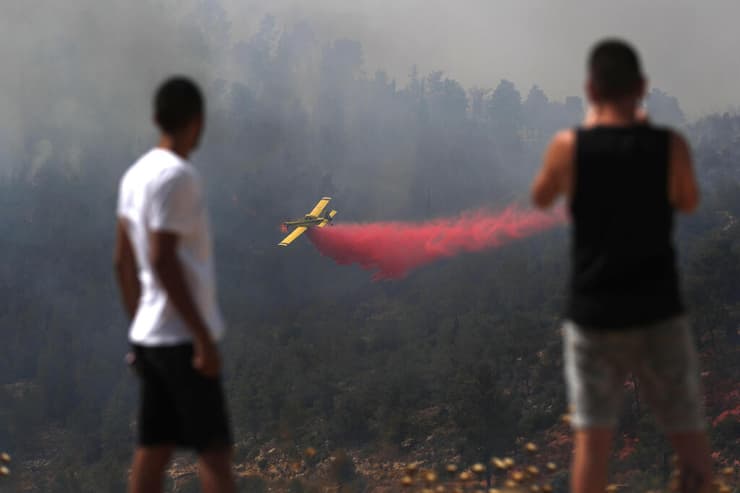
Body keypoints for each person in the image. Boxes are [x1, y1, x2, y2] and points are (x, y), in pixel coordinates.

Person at [531, 40, 712, 493]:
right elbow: (688, 202)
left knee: (593, 445)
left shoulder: (568, 146)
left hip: (595, 315)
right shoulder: (669, 145)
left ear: (591, 89)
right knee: (688, 439)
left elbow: (541, 198)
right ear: (642, 88)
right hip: (657, 309)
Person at [114, 77, 235, 493]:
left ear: (156, 119)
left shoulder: (133, 177)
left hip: (150, 338)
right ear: (197, 123)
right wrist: (201, 336)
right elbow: (164, 259)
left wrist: (138, 330)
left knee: (153, 450)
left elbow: (122, 262)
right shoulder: (180, 177)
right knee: (215, 453)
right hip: (182, 340)